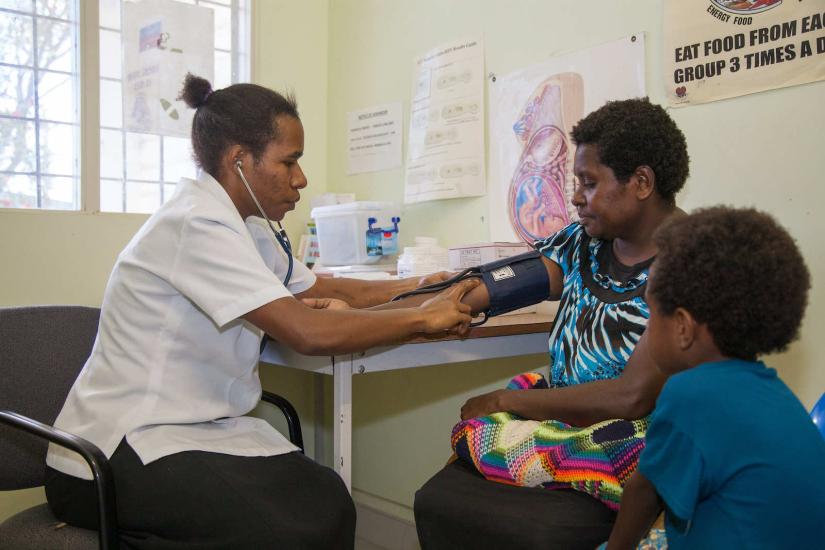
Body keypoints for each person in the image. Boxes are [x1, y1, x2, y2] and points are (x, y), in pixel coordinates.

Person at [44, 74, 478, 550]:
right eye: (289, 161)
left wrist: (418, 287)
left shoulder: (248, 229)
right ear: (240, 161)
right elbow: (306, 331)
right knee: (282, 530)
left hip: (195, 433)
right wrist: (421, 317)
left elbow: (328, 288)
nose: (301, 178)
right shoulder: (195, 224)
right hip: (113, 451)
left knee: (327, 499)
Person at [415, 97, 691, 549]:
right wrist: (415, 305)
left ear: (642, 182)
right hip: (564, 420)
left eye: (589, 183)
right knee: (438, 499)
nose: (576, 197)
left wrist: (507, 400)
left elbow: (631, 396)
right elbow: (493, 287)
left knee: (534, 530)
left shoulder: (688, 260)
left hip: (636, 437)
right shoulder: (584, 241)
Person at [604, 206, 825, 549]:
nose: (647, 328)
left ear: (682, 327)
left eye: (651, 312)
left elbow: (644, 493)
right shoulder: (774, 393)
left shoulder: (691, 393)